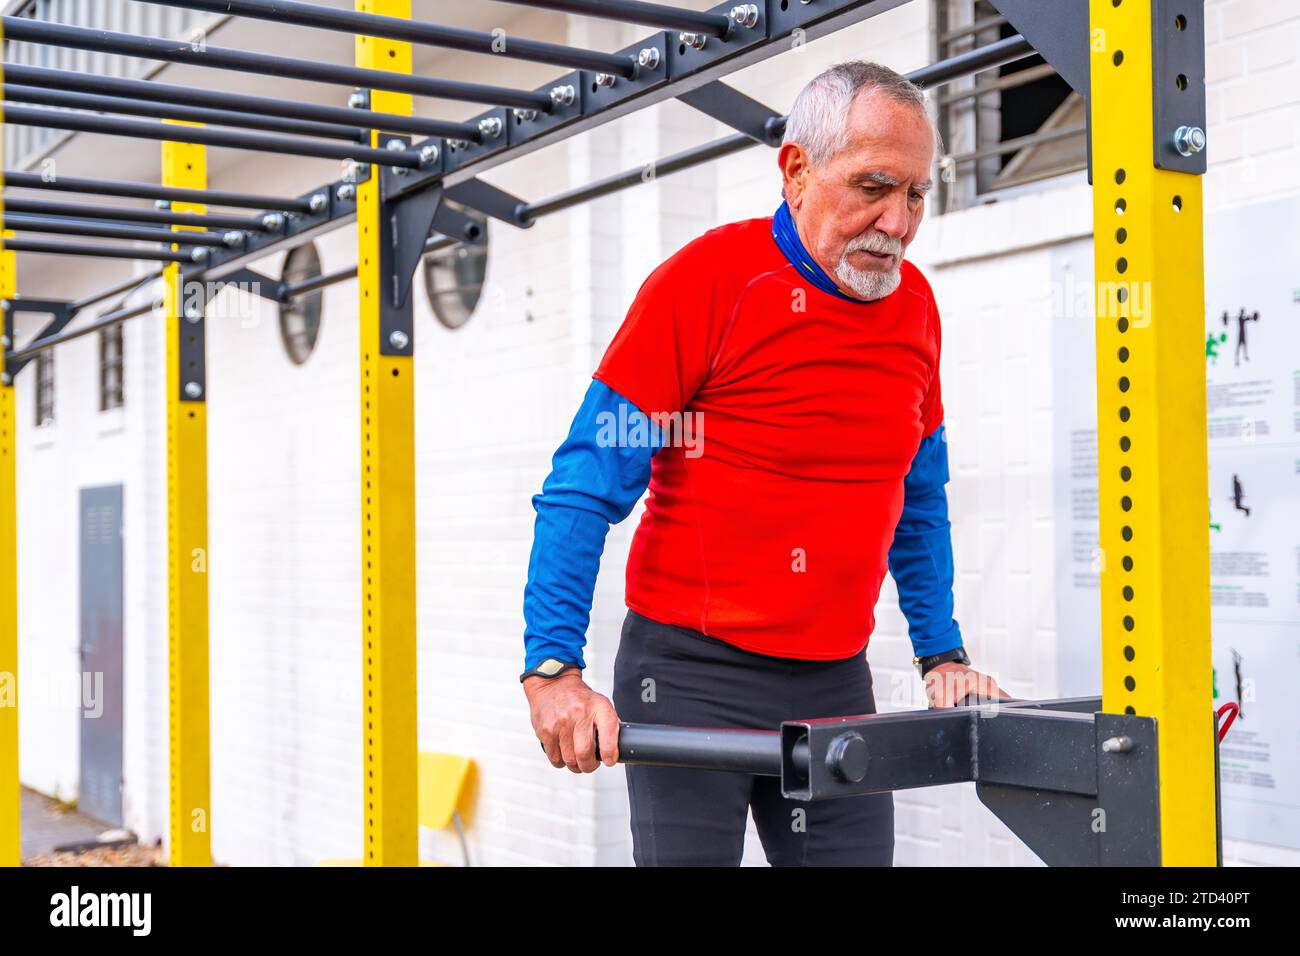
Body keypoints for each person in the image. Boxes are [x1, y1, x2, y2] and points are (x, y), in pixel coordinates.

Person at [521, 60, 1007, 866]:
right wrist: (551, 668)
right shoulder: (708, 283)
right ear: (796, 171)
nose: (898, 220)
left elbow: (916, 501)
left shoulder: (916, 309)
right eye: (874, 186)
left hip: (831, 681)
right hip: (687, 674)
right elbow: (582, 487)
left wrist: (943, 654)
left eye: (917, 194)